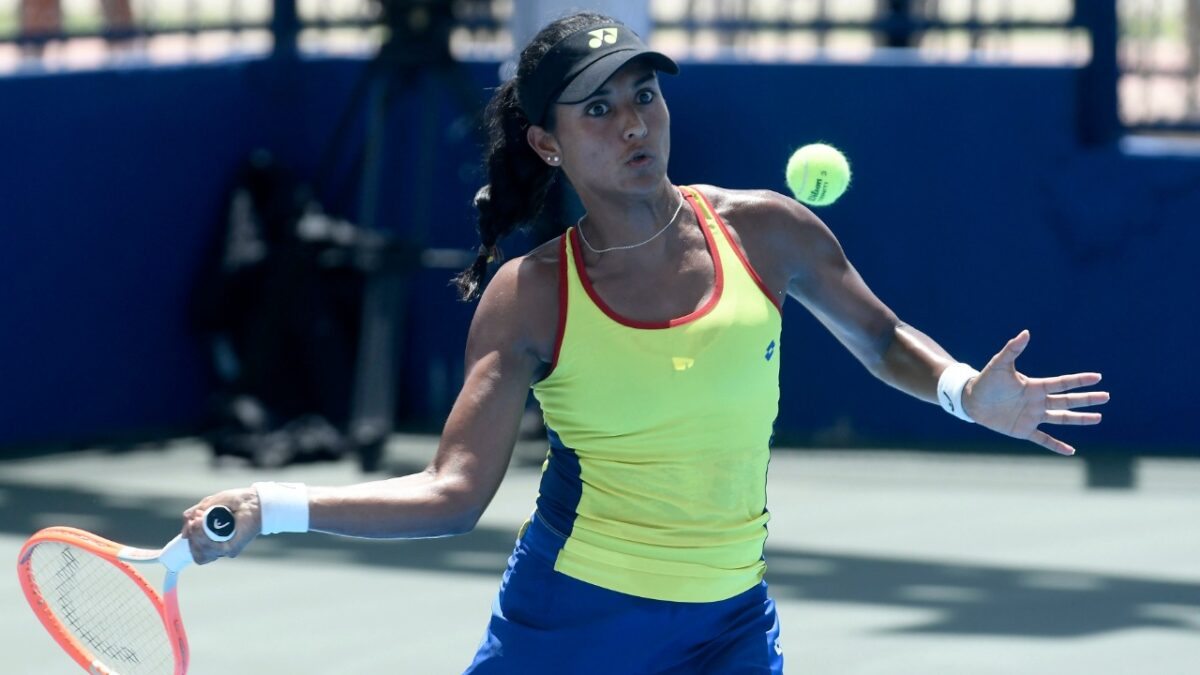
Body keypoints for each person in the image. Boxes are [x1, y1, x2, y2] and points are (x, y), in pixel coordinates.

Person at [180, 12, 1110, 674]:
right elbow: (453, 493)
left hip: (731, 622)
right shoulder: (531, 296)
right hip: (573, 628)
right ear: (546, 145)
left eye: (645, 94)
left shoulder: (766, 232)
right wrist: (274, 504)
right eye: (597, 109)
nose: (633, 123)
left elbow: (881, 335)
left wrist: (963, 391)